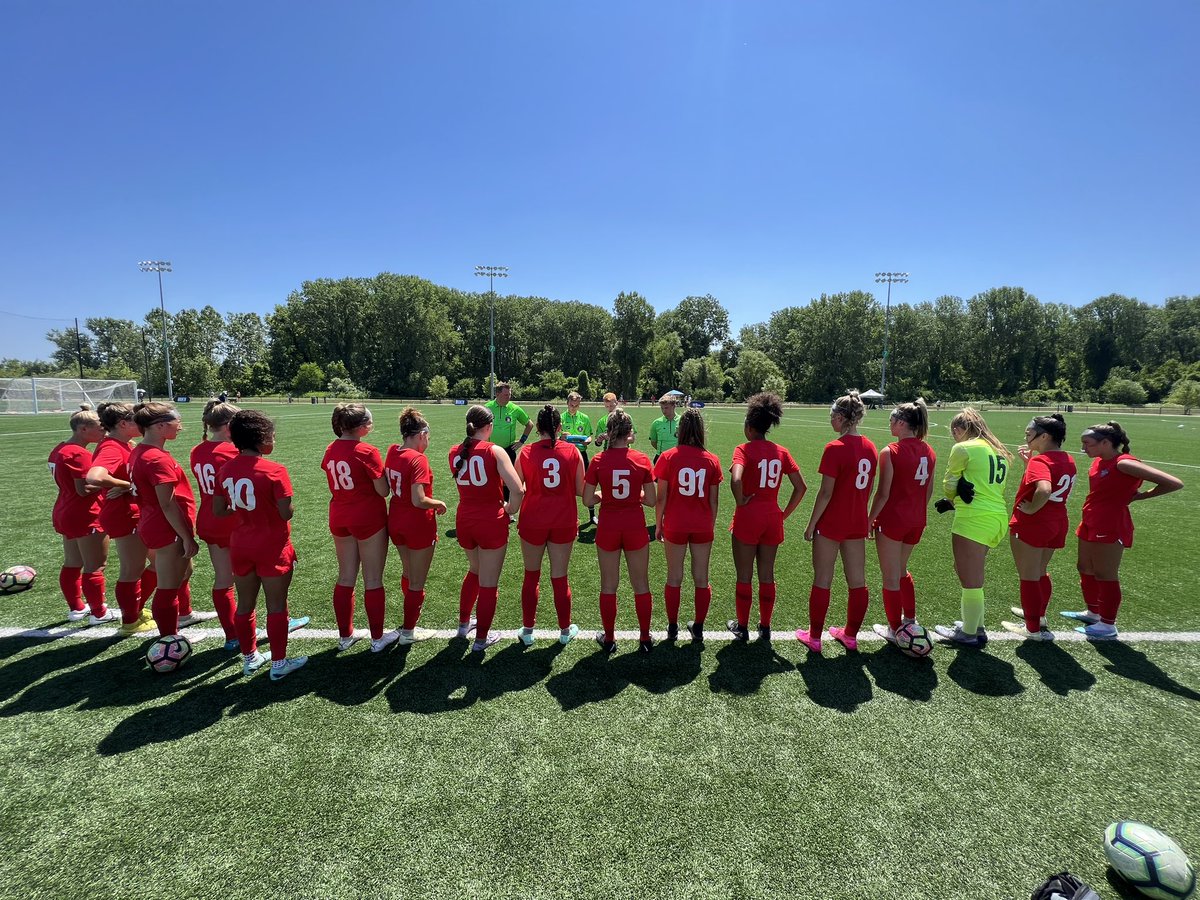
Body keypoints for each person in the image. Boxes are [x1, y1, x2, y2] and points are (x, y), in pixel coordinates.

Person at [1062, 421, 1183, 639]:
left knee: (1105, 574)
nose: (1083, 449)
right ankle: (1093, 612)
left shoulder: (1124, 463)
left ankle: (1108, 625)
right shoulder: (1099, 461)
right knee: (1084, 567)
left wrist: (1140, 496)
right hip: (1091, 519)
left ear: (1106, 442)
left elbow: (1174, 483)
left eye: (1087, 444)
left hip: (1110, 523)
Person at [214, 409, 308, 680]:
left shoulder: (226, 469)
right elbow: (286, 512)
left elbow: (220, 510)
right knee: (277, 606)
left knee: (245, 605)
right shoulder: (275, 470)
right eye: (272, 435)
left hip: (241, 543)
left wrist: (246, 511)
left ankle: (250, 658)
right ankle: (279, 665)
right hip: (272, 545)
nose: (274, 440)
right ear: (260, 438)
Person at [797, 390, 879, 653]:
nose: (830, 420)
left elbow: (825, 493)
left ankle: (815, 637)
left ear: (843, 418)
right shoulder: (871, 447)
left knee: (822, 578)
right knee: (858, 581)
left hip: (832, 523)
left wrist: (811, 525)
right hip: (857, 522)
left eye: (832, 416)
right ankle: (850, 636)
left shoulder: (834, 448)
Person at [727, 393, 805, 641]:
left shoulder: (743, 449)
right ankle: (765, 626)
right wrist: (784, 513)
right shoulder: (781, 451)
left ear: (749, 427)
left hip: (749, 517)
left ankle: (742, 626)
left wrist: (740, 500)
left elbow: (736, 478)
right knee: (767, 574)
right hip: (772, 517)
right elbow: (801, 487)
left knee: (744, 575)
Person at [931, 408, 1012, 648]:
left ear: (958, 429)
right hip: (996, 516)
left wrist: (952, 496)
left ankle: (969, 632)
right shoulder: (998, 450)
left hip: (974, 519)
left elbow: (950, 484)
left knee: (971, 578)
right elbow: (983, 488)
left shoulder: (964, 447)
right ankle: (975, 625)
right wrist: (956, 501)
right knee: (969, 572)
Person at [449, 405, 524, 653]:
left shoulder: (455, 451)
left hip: (465, 520)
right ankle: (480, 640)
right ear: (489, 427)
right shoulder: (495, 451)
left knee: (474, 571)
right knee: (489, 583)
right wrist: (511, 509)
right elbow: (518, 489)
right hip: (490, 520)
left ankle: (462, 625)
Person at [584, 408, 656, 653]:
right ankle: (645, 638)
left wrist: (605, 494)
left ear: (609, 432)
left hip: (609, 526)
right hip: (635, 524)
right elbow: (652, 499)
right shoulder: (642, 459)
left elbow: (587, 500)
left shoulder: (598, 461)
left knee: (608, 585)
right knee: (641, 585)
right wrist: (635, 495)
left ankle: (610, 639)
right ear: (629, 433)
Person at [321, 404, 391, 653]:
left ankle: (345, 636)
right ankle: (377, 639)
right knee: (372, 579)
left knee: (346, 576)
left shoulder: (331, 448)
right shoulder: (367, 450)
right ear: (362, 427)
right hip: (367, 517)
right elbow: (382, 491)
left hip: (339, 515)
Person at [1000, 414, 1077, 640]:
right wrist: (1028, 465)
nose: (1026, 435)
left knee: (1029, 577)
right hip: (1057, 521)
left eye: (1029, 432)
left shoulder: (1040, 461)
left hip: (1034, 524)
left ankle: (1032, 628)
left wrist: (1032, 509)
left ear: (1044, 436)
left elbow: (1044, 489)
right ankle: (1039, 617)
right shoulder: (1067, 459)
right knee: (1040, 572)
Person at [867, 399, 936, 643]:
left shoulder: (890, 451)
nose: (889, 425)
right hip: (916, 520)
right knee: (901, 570)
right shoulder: (929, 450)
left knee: (890, 576)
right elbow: (928, 491)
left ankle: (896, 629)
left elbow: (882, 493)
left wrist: (870, 519)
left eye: (891, 421)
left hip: (893, 520)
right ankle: (910, 620)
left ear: (901, 423)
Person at [516, 404, 585, 645]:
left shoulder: (525, 453)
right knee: (560, 577)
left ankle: (527, 631)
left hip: (532, 520)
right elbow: (580, 489)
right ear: (559, 427)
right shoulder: (572, 452)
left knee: (531, 576)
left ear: (539, 427)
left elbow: (517, 489)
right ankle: (565, 631)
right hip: (563, 520)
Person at [128, 402, 198, 638]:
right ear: (159, 426)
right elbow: (166, 504)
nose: (181, 426)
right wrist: (187, 536)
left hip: (153, 522)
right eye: (176, 421)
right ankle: (169, 639)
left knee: (182, 572)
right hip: (164, 527)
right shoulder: (156, 459)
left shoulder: (140, 451)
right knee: (167, 587)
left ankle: (177, 621)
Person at [86, 402, 156, 634]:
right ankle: (130, 621)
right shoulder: (111, 448)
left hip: (134, 512)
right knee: (132, 569)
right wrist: (128, 485)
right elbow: (94, 477)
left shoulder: (123, 444)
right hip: (124, 514)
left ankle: (135, 608)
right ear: (123, 424)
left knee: (157, 564)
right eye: (136, 420)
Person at [654, 408, 722, 642]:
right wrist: (709, 524)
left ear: (681, 429)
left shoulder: (668, 456)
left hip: (675, 522)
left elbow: (661, 497)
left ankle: (672, 627)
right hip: (702, 524)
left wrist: (658, 524)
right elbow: (714, 500)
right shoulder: (712, 459)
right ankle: (699, 627)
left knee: (674, 577)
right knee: (701, 577)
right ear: (701, 430)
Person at [383, 407, 446, 645]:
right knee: (417, 581)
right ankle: (409, 631)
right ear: (421, 434)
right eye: (428, 436)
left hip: (396, 520)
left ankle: (408, 622)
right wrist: (438, 502)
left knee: (408, 573)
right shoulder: (418, 459)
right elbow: (418, 499)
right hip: (417, 524)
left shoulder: (392, 451)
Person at [48, 406, 113, 624]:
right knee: (95, 565)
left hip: (64, 509)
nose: (104, 432)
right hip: (85, 513)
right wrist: (111, 483)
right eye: (100, 428)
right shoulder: (78, 453)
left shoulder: (59, 449)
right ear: (83, 429)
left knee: (72, 562)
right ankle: (99, 613)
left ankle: (76, 608)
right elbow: (84, 489)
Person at [190, 400, 240, 647]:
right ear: (230, 425)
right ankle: (278, 620)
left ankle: (231, 635)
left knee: (223, 578)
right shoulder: (231, 452)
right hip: (233, 520)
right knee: (259, 574)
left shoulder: (198, 450)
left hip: (208, 517)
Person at [484, 381, 532, 507]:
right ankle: (493, 504)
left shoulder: (515, 409)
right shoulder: (487, 407)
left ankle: (507, 506)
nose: (509, 397)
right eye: (506, 395)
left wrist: (522, 441)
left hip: (508, 449)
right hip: (490, 450)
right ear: (497, 394)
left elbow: (529, 424)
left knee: (508, 480)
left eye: (510, 394)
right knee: (491, 477)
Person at [561, 391, 595, 525]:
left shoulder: (584, 418)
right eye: (571, 405)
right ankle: (568, 516)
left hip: (581, 453)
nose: (573, 407)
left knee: (587, 485)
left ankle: (592, 515)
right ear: (567, 403)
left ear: (579, 404)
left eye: (576, 405)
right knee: (567, 486)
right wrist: (561, 437)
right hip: (566, 455)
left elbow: (589, 436)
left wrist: (588, 441)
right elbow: (557, 437)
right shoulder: (561, 418)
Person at [648, 395, 680, 463]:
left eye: (666, 408)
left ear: (674, 406)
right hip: (661, 457)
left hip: (678, 457)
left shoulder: (682, 421)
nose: (664, 411)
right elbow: (653, 442)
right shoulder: (656, 423)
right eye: (662, 408)